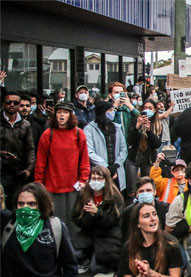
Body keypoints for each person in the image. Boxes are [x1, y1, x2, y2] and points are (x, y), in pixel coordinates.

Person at [34, 101, 90, 236]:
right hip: (52, 187)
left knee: (74, 223)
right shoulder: (48, 134)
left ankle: (74, 251)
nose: (62, 115)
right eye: (59, 112)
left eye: (65, 112)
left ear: (71, 115)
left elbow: (84, 160)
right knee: (54, 223)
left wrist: (83, 180)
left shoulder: (78, 134)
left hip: (73, 187)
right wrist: (38, 185)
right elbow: (40, 162)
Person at [72, 165, 124, 277]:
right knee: (74, 253)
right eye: (93, 178)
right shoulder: (83, 195)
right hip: (89, 233)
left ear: (105, 180)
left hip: (108, 235)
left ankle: (113, 273)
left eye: (99, 178)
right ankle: (87, 257)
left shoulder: (115, 197)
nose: (95, 181)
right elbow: (76, 219)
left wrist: (98, 213)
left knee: (97, 269)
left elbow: (113, 222)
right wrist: (89, 215)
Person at [84, 101, 128, 192]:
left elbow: (123, 149)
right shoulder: (89, 129)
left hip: (117, 170)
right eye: (110, 110)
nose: (112, 113)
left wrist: (116, 165)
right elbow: (89, 152)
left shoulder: (117, 128)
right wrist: (106, 168)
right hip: (99, 172)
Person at [1, 91, 35, 207]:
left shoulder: (25, 125)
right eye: (8, 102)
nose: (12, 105)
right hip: (2, 172)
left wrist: (28, 169)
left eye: (15, 103)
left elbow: (30, 149)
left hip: (19, 173)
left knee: (17, 205)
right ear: (3, 104)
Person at [126, 101, 160, 198]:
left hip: (148, 160)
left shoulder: (157, 124)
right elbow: (130, 140)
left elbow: (157, 144)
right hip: (134, 158)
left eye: (150, 108)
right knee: (132, 189)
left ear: (154, 110)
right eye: (145, 108)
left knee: (147, 186)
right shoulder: (135, 121)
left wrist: (149, 131)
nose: (147, 110)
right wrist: (137, 126)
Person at [121, 176, 169, 242]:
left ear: (154, 192)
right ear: (137, 194)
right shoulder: (129, 212)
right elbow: (125, 236)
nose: (145, 193)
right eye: (141, 191)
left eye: (148, 190)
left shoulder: (165, 209)